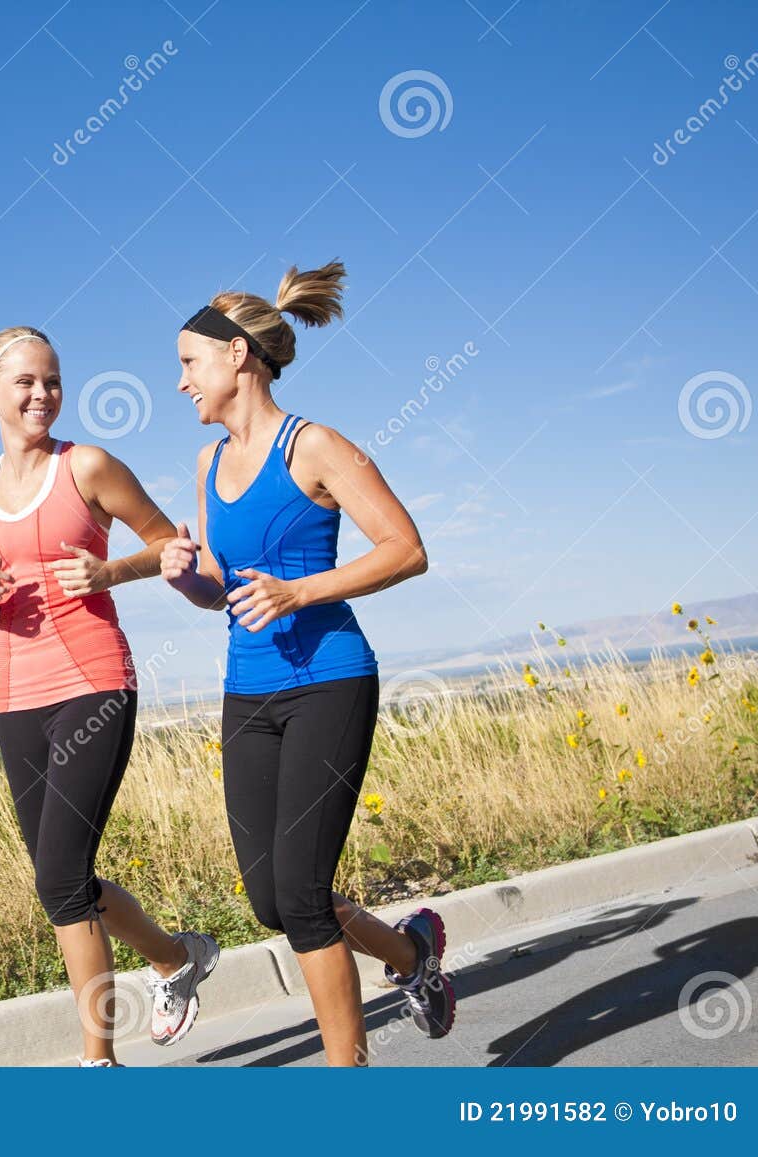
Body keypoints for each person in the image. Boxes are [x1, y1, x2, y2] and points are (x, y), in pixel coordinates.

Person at [0, 325, 218, 1066]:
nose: (43, 394)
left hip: (95, 682)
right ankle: (175, 958)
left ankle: (96, 1062)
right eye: (27, 383)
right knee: (61, 876)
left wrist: (110, 573)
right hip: (16, 693)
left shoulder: (90, 466)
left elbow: (171, 546)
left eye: (53, 380)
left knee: (62, 879)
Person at [159, 262, 456, 1066]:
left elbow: (407, 548)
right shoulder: (206, 465)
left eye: (190, 362)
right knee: (272, 900)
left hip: (329, 678)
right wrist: (191, 579)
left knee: (302, 895)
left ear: (237, 358)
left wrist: (301, 593)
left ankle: (346, 1077)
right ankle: (411, 954)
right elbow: (225, 589)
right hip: (247, 690)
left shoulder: (313, 444)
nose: (181, 381)